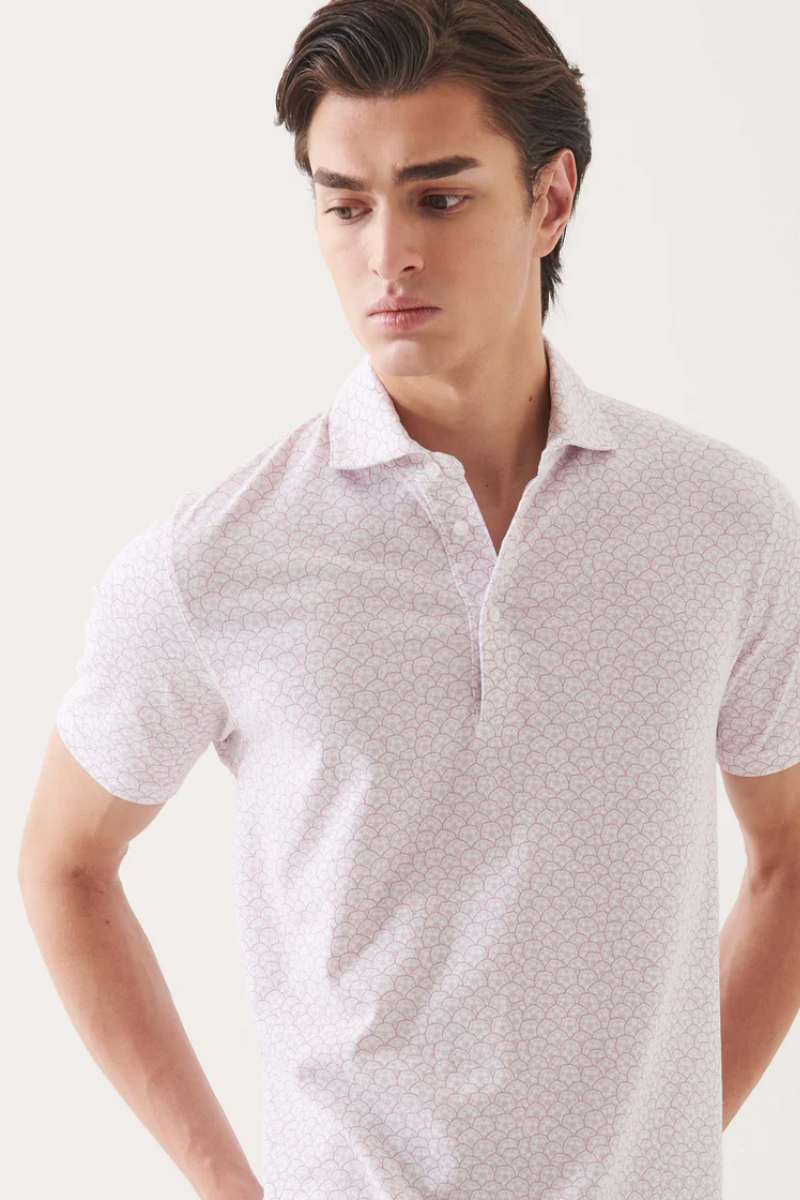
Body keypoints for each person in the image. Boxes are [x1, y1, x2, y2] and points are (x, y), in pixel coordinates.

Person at [18, 2, 800, 1198]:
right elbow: (65, 864)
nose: (387, 253)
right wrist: (228, 1186)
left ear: (550, 199)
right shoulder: (217, 559)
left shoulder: (719, 523)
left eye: (437, 198)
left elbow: (788, 850)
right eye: (345, 205)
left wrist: (669, 1136)